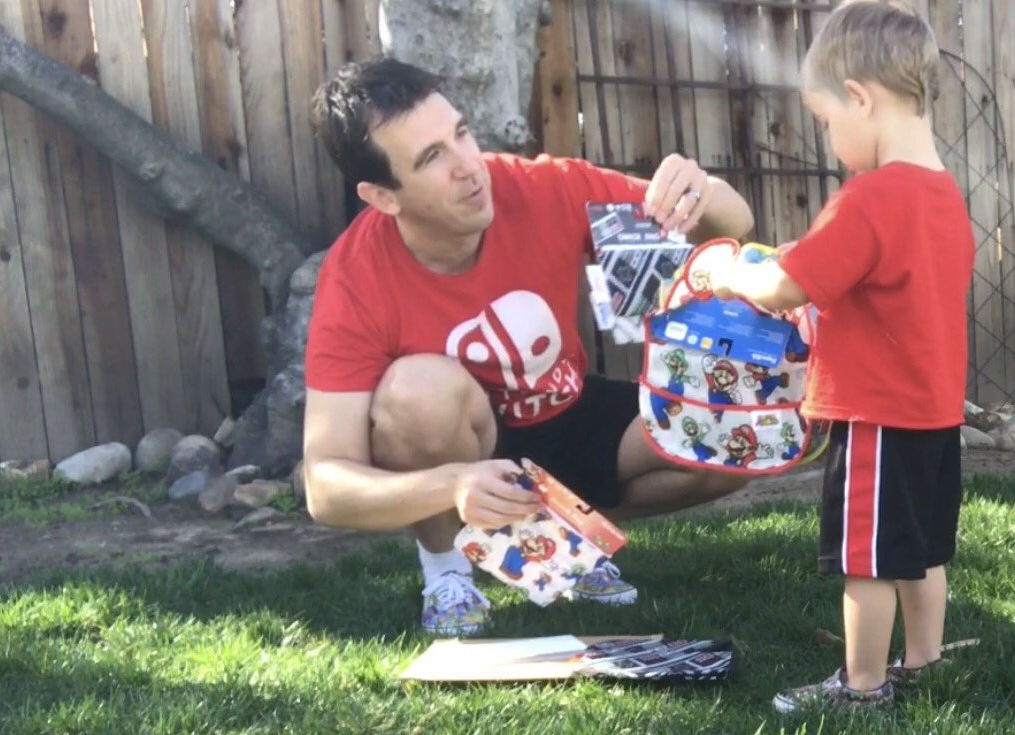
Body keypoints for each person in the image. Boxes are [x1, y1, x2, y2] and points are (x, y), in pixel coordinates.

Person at [301, 58, 756, 637]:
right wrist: (454, 486)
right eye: (431, 157)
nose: (469, 166)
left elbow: (730, 226)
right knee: (418, 390)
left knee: (731, 437)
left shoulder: (540, 185)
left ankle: (568, 537)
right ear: (383, 196)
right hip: (466, 446)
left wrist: (701, 190)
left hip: (565, 411)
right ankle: (447, 573)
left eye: (460, 133)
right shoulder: (354, 277)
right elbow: (326, 487)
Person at [703, 1, 974, 712]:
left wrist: (736, 274)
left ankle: (861, 687)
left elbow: (787, 282)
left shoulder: (868, 198)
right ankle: (925, 660)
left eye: (826, 121)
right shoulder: (943, 195)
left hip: (877, 416)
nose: (828, 140)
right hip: (934, 412)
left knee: (867, 560)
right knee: (922, 549)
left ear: (861, 97)